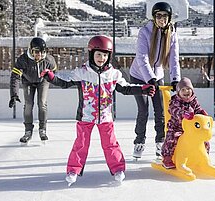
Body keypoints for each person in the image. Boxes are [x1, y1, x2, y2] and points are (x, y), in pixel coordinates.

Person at [40, 35, 156, 185]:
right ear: (91, 54)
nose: (101, 58)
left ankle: (118, 168)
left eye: (105, 55)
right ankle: (73, 170)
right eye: (98, 54)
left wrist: (143, 89)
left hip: (105, 116)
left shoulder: (114, 74)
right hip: (85, 116)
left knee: (110, 144)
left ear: (109, 56)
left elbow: (126, 88)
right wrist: (51, 77)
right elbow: (64, 82)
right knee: (81, 144)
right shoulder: (82, 72)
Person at [129, 1, 181, 159]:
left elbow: (174, 60)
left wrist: (175, 79)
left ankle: (160, 142)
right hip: (139, 76)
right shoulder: (145, 32)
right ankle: (139, 142)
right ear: (154, 17)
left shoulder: (172, 35)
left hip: (157, 76)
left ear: (169, 18)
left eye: (165, 16)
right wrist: (149, 79)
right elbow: (142, 58)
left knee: (160, 111)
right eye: (158, 16)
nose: (162, 19)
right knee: (143, 110)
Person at [9, 37, 57, 144]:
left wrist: (51, 77)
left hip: (43, 81)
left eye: (42, 52)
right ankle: (28, 131)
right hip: (28, 81)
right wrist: (14, 94)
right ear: (31, 50)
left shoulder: (49, 60)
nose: (39, 55)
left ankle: (42, 129)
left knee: (42, 103)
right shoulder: (23, 60)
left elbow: (54, 72)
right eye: (36, 52)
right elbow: (15, 77)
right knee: (28, 104)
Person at [161, 77, 210, 169]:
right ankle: (167, 158)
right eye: (183, 89)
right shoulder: (175, 101)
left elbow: (197, 109)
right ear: (178, 92)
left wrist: (201, 112)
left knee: (204, 139)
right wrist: (183, 114)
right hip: (176, 126)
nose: (186, 91)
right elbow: (174, 110)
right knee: (171, 138)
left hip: (191, 128)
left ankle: (204, 157)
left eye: (188, 89)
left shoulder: (194, 100)